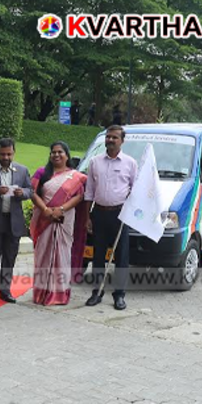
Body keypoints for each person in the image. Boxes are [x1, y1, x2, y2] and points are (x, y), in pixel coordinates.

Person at [84, 125, 137, 310]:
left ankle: (119, 295)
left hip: (120, 215)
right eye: (108, 137)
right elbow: (89, 191)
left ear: (122, 141)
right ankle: (96, 292)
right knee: (98, 255)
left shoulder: (130, 163)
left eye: (115, 137)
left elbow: (135, 190)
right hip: (99, 213)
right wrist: (87, 217)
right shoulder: (95, 162)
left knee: (121, 256)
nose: (110, 140)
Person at [29, 141, 87, 306]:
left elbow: (79, 196)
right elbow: (32, 192)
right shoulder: (42, 172)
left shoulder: (74, 176)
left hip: (65, 219)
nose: (56, 155)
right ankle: (41, 292)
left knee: (62, 254)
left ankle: (59, 294)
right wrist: (46, 210)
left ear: (67, 155)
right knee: (42, 255)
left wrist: (61, 209)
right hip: (43, 218)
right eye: (53, 152)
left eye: (60, 152)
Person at [0, 138, 32, 304]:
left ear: (14, 153)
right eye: (2, 154)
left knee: (10, 257)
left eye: (9, 154)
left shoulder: (22, 170)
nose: (6, 157)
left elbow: (29, 190)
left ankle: (5, 289)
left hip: (14, 220)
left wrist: (22, 193)